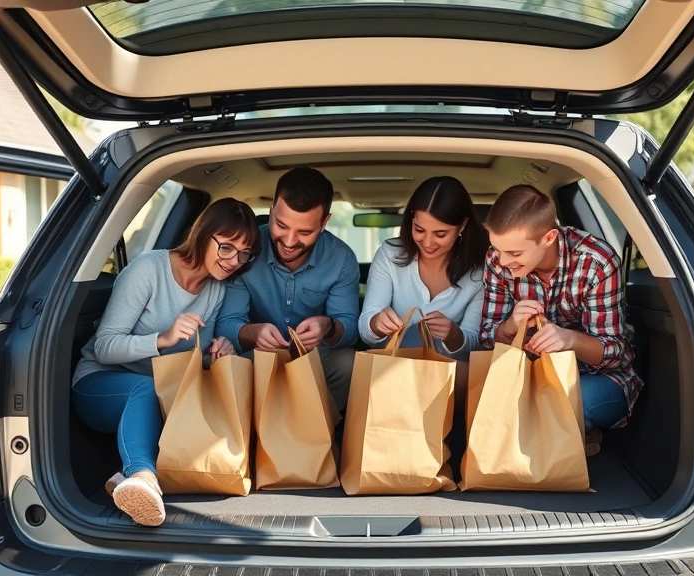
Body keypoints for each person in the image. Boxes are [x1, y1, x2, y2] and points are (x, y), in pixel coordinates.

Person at [72, 198, 260, 527]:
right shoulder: (148, 270)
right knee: (142, 389)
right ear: (204, 234)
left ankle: (125, 482)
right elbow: (103, 347)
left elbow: (194, 360)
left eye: (244, 254)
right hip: (99, 384)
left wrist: (217, 351)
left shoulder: (217, 289)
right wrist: (163, 339)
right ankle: (144, 477)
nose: (234, 261)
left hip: (164, 392)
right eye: (227, 247)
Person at [479, 184, 642, 451]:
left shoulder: (596, 262)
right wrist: (508, 327)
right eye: (497, 249)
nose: (502, 260)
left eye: (514, 253)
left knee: (571, 403)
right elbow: (487, 340)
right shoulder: (497, 260)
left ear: (549, 238)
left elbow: (616, 354)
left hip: (593, 378)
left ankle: (552, 454)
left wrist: (569, 339)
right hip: (527, 376)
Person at [217, 167, 360, 413]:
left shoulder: (341, 259)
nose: (290, 241)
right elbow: (226, 324)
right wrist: (254, 332)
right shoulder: (245, 250)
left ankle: (321, 429)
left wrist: (327, 326)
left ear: (325, 222)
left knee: (349, 362)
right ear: (271, 212)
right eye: (281, 225)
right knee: (229, 366)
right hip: (258, 357)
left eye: (304, 232)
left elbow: (350, 329)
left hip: (315, 357)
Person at [358, 176, 487, 362]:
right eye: (419, 230)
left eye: (440, 234)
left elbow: (475, 343)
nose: (427, 243)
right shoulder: (390, 256)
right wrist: (376, 324)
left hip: (447, 375)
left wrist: (454, 335)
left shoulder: (478, 273)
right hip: (391, 369)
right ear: (411, 220)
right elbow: (365, 331)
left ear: (463, 226)